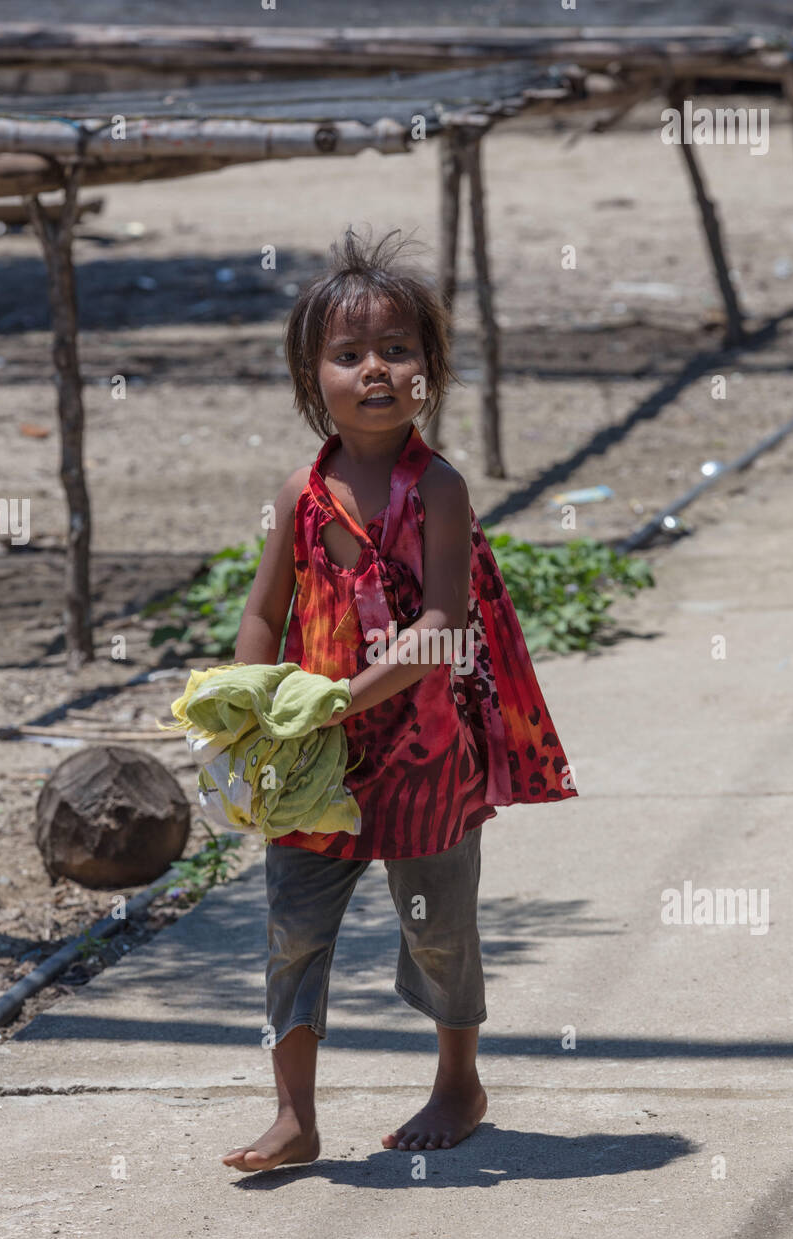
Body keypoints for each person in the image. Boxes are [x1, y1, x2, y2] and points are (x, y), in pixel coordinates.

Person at [221, 227, 577, 1173]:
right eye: (347, 354)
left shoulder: (441, 491)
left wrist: (344, 695)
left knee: (438, 935)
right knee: (292, 933)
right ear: (312, 376)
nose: (375, 369)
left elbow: (445, 628)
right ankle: (295, 1115)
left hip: (426, 755)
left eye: (398, 350)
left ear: (430, 370)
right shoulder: (300, 493)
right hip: (313, 767)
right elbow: (266, 611)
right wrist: (241, 710)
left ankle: (458, 1081)